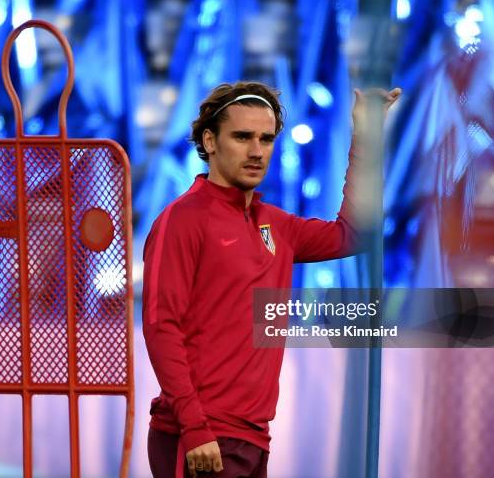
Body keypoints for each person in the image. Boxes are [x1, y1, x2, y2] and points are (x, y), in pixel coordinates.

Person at [142, 81, 401, 477]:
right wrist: (195, 429)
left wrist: (365, 137)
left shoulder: (275, 224)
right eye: (242, 136)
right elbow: (161, 327)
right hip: (200, 437)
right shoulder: (182, 219)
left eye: (266, 138)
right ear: (209, 141)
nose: (256, 150)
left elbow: (355, 234)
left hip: (253, 437)